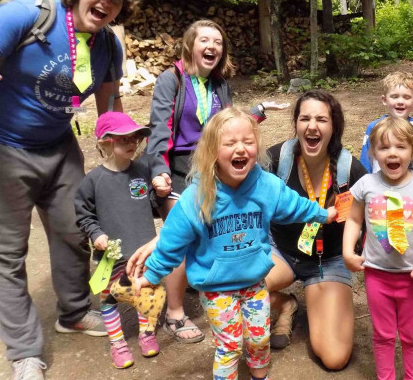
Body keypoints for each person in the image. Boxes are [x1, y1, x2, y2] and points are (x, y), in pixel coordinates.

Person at [0, 0, 135, 379]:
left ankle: (75, 312)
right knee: (6, 251)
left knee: (74, 229)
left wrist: (130, 146)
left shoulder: (106, 45)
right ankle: (24, 351)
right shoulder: (27, 16)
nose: (107, 2)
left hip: (57, 144)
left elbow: (108, 110)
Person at [135, 107, 337, 380]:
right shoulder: (196, 197)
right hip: (217, 288)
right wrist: (151, 275)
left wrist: (323, 214)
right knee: (229, 346)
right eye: (230, 143)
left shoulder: (266, 185)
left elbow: (294, 206)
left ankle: (259, 376)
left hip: (255, 283)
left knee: (258, 340)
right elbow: (172, 243)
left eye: (248, 142)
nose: (240, 149)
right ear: (212, 151)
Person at [145, 19, 287, 343]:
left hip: (214, 168)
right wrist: (158, 169)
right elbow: (159, 128)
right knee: (180, 237)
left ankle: (214, 285)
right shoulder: (172, 80)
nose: (212, 47)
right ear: (190, 44)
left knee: (218, 228)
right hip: (179, 169)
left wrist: (258, 112)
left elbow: (227, 127)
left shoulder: (220, 84)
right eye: (204, 40)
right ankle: (175, 314)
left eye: (218, 42)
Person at [264, 90, 367, 369]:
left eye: (322, 119)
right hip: (281, 252)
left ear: (334, 127)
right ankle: (285, 304)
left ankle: (313, 300)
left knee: (334, 358)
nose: (312, 126)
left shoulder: (350, 170)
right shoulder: (275, 159)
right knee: (238, 288)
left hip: (328, 261)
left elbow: (381, 214)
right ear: (296, 124)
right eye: (304, 118)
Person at [343, 116, 413, 380]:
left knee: (412, 335)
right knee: (383, 335)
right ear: (373, 153)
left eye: (400, 147)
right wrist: (348, 252)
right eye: (384, 147)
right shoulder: (366, 185)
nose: (392, 153)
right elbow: (354, 219)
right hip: (376, 274)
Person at [74, 112, 162, 369]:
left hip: (142, 252)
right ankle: (118, 344)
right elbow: (84, 214)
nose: (131, 143)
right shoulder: (93, 180)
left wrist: (162, 178)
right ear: (105, 143)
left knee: (144, 295)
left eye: (134, 138)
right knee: (108, 300)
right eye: (123, 139)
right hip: (110, 256)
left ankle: (146, 335)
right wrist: (96, 234)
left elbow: (157, 160)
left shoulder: (143, 170)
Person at [360, 71, 413, 172]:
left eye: (406, 97)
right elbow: (366, 160)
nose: (400, 102)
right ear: (384, 100)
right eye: (395, 96)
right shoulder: (374, 127)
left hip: (409, 183)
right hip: (379, 183)